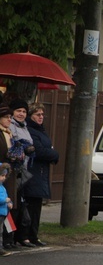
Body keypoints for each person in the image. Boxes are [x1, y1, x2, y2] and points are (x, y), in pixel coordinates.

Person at [24, 103, 59, 247]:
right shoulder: (31, 130)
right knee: (30, 205)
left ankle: (34, 235)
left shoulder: (41, 130)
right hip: (33, 172)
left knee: (37, 205)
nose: (41, 117)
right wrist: (54, 154)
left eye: (42, 114)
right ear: (31, 115)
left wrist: (51, 153)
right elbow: (39, 151)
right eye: (37, 114)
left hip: (41, 172)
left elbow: (46, 148)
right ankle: (26, 235)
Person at [8, 98, 37, 248]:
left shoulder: (24, 126)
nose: (21, 114)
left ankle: (20, 236)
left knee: (21, 204)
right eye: (18, 110)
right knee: (13, 204)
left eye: (24, 111)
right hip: (13, 170)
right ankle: (10, 238)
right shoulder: (10, 126)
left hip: (24, 169)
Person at [0, 103, 19, 249]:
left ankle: (8, 238)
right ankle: (4, 240)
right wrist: (7, 156)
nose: (9, 120)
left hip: (9, 172)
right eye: (6, 117)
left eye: (10, 117)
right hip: (2, 170)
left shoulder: (9, 133)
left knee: (8, 204)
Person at [0, 162, 13, 256]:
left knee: (1, 231)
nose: (4, 178)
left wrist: (9, 203)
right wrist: (5, 200)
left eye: (5, 176)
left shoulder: (3, 188)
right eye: (1, 175)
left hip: (3, 213)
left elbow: (6, 197)